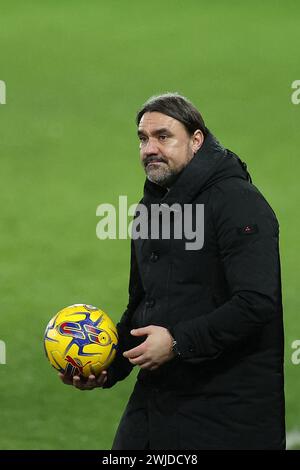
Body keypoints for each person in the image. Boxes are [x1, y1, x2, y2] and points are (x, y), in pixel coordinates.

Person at [60, 93, 286, 450]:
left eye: (163, 136)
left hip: (226, 411)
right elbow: (143, 305)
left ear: (196, 141)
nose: (150, 148)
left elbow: (257, 302)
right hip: (158, 399)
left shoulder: (238, 202)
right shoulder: (150, 211)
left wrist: (178, 341)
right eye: (143, 138)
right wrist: (107, 366)